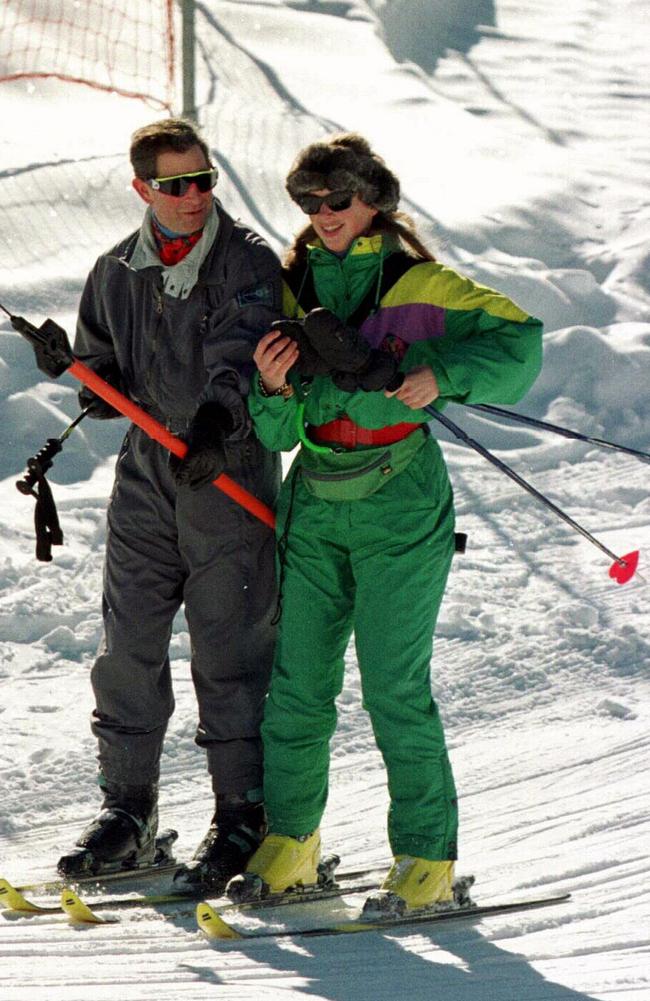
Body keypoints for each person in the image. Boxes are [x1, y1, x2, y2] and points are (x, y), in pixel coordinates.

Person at [226, 133, 543, 915]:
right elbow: (278, 434)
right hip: (315, 501)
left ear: (374, 202)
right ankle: (294, 840)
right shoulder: (293, 291)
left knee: (394, 688)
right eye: (311, 201)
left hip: (400, 501)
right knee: (298, 686)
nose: (325, 213)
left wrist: (442, 375)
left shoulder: (418, 282)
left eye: (339, 199)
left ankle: (427, 856)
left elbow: (522, 340)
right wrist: (271, 390)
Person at [58, 118, 282, 893]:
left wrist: (221, 424)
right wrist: (78, 365)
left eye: (205, 181)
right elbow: (109, 373)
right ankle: (129, 810)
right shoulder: (117, 269)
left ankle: (242, 812)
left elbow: (242, 356)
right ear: (142, 189)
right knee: (128, 644)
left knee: (229, 647)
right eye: (176, 185)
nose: (194, 198)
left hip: (226, 471)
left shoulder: (247, 262)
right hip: (150, 478)